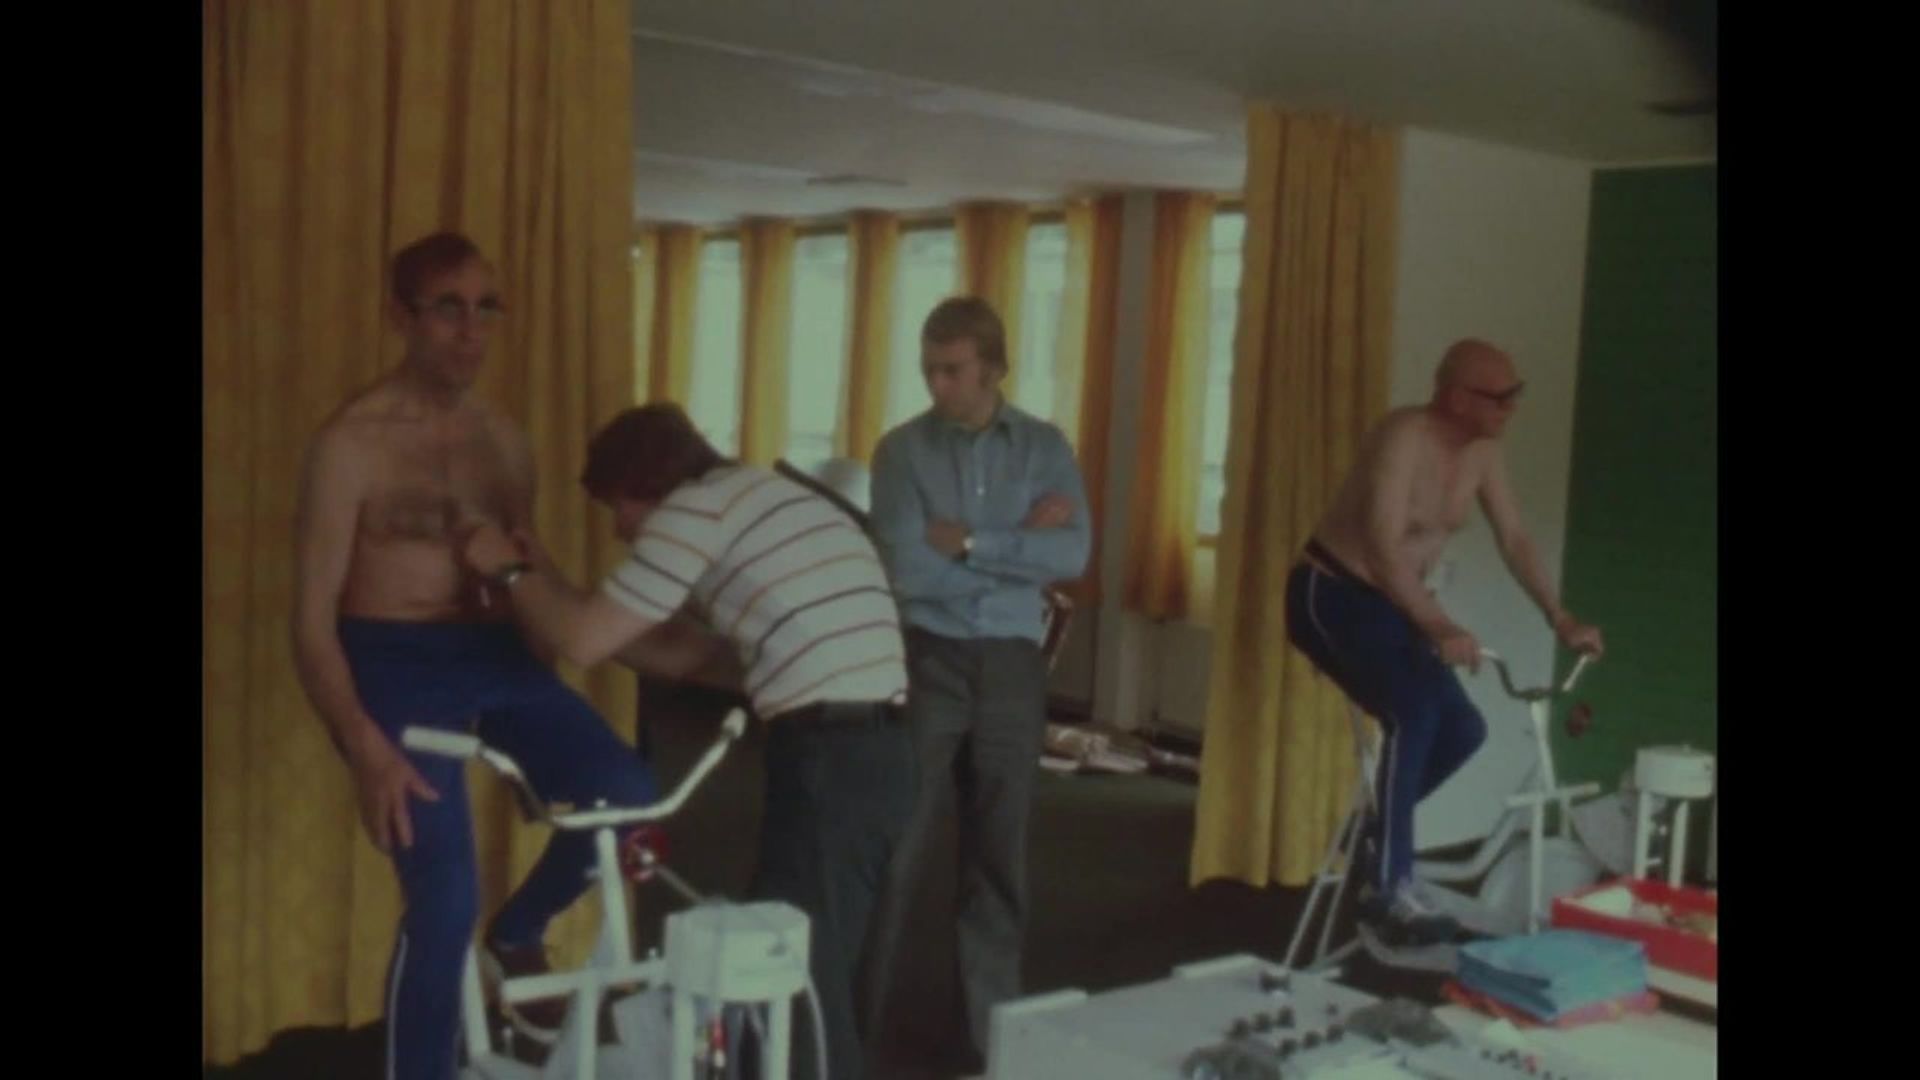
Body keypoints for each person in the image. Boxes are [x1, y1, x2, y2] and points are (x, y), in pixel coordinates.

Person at [289, 232, 658, 1080]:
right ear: (401, 316)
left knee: (628, 793)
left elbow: (525, 581)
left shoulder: (506, 442)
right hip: (391, 662)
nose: (471, 330)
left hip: (496, 655)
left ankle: (520, 930)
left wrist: (544, 714)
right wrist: (362, 747)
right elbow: (310, 623)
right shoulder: (349, 443)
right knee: (445, 898)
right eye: (448, 308)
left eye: (486, 308)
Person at [457, 402, 914, 1080]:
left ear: (643, 483)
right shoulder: (758, 497)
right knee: (801, 966)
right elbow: (679, 654)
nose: (619, 530)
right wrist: (543, 574)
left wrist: (505, 572)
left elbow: (582, 640)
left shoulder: (692, 513)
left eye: (616, 508)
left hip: (831, 757)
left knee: (793, 982)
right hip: (878, 754)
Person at [1285, 338, 1605, 946]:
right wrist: (1439, 624)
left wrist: (1559, 618)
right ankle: (1390, 888)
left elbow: (1515, 538)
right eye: (1500, 397)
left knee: (1463, 729)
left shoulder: (1484, 452)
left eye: (1516, 395)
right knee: (1413, 712)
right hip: (1331, 593)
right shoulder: (1402, 437)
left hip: (1391, 605)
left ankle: (1375, 838)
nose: (1512, 408)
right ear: (1457, 398)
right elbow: (1381, 548)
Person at [860, 296, 1091, 1074]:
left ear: (992, 368)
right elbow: (905, 569)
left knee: (999, 854)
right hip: (927, 655)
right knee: (897, 843)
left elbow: (1072, 556)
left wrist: (972, 545)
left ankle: (988, 1042)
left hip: (1012, 665)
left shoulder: (1045, 447)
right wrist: (1020, 548)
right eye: (928, 368)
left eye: (952, 370)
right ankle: (855, 1028)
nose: (936, 384)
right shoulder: (900, 452)